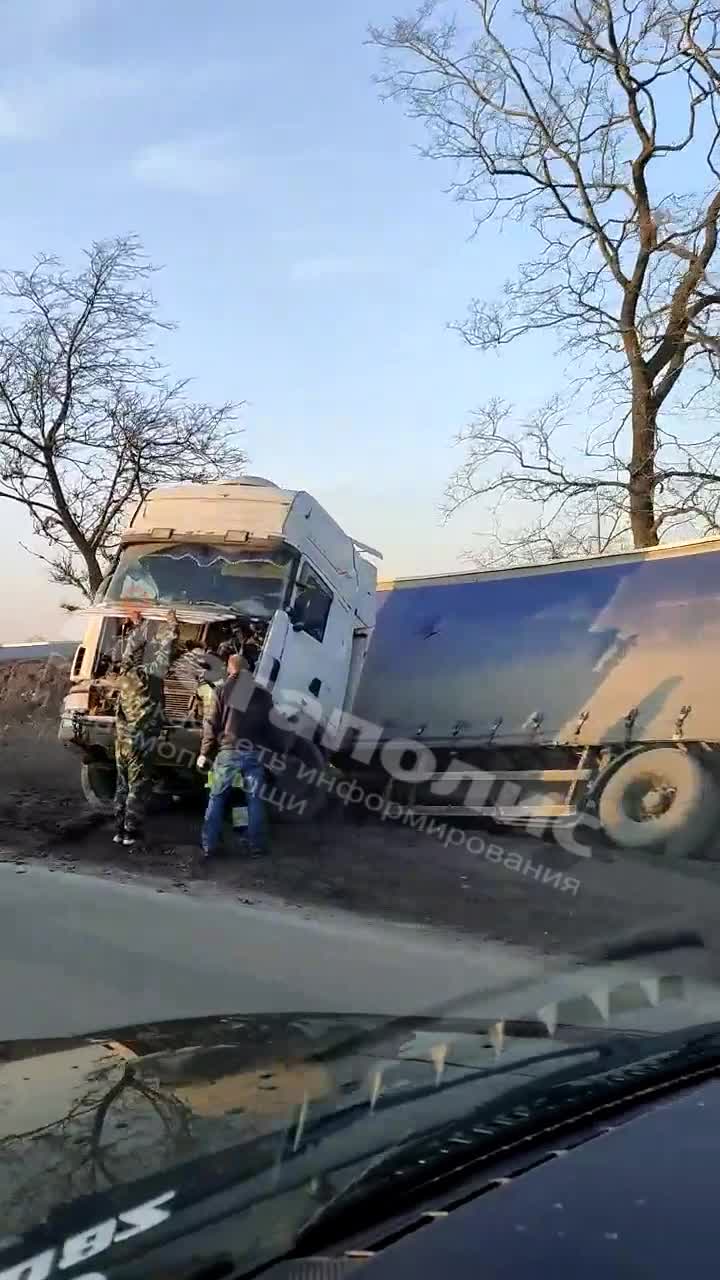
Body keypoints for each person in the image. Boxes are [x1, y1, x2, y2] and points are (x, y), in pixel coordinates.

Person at [196, 653, 274, 858]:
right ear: (248, 669)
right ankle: (256, 846)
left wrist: (204, 752)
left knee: (217, 797)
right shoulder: (264, 694)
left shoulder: (221, 690)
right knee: (255, 799)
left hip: (229, 751)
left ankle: (209, 845)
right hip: (254, 753)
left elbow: (211, 724)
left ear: (230, 669)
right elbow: (271, 726)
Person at [113, 608, 179, 847]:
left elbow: (129, 652)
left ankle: (118, 829)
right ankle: (131, 832)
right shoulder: (151, 678)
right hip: (140, 742)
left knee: (122, 785)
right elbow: (167, 652)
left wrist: (139, 626)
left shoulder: (125, 677)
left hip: (122, 741)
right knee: (137, 787)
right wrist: (171, 624)